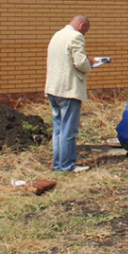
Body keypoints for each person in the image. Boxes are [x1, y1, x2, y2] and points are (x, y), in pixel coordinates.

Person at [45, 15, 94, 172]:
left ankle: (58, 164)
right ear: (81, 25)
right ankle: (66, 166)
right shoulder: (76, 36)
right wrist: (90, 64)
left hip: (54, 89)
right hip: (68, 90)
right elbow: (80, 62)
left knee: (58, 129)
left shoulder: (57, 34)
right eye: (86, 30)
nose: (85, 34)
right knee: (69, 130)